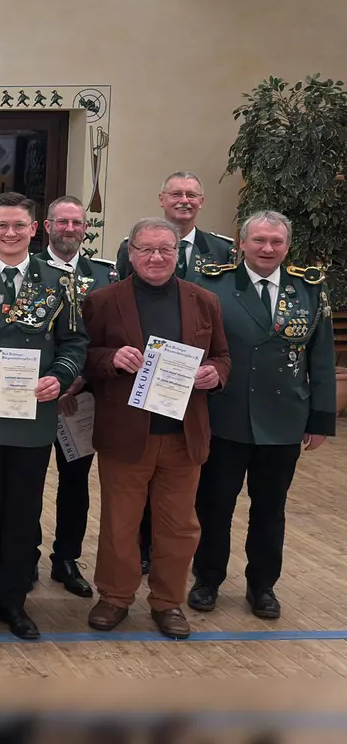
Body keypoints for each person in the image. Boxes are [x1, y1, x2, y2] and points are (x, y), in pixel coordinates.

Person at [0, 192, 87, 641]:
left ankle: (15, 602)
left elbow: (74, 343)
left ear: (35, 230)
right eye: (1, 225)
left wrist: (59, 378)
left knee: (24, 513)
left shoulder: (60, 280)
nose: (9, 233)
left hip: (32, 415)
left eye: (18, 226)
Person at [82, 216, 230, 640]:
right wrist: (110, 359)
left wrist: (214, 375)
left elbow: (222, 356)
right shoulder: (104, 300)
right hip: (127, 436)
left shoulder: (203, 301)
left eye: (165, 249)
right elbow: (85, 357)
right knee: (119, 524)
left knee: (179, 527)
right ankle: (114, 597)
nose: (156, 257)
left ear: (178, 253)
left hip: (184, 436)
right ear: (130, 253)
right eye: (146, 249)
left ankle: (168, 603)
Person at [192, 212, 330, 620]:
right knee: (214, 505)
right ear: (242, 243)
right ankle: (207, 579)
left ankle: (262, 586)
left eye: (276, 242)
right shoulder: (213, 285)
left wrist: (319, 420)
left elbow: (320, 359)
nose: (267, 249)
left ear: (287, 246)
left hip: (283, 418)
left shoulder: (307, 289)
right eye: (259, 241)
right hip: (225, 416)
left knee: (270, 509)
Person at [38, 196, 117, 598]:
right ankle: (24, 550)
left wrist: (78, 379)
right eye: (61, 222)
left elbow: (110, 338)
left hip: (81, 396)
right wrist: (50, 380)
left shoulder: (105, 276)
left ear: (85, 229)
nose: (69, 229)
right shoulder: (29, 272)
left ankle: (66, 558)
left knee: (75, 482)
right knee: (28, 480)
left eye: (76, 223)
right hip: (33, 394)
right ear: (46, 226)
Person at [113, 172, 235, 282]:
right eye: (176, 194)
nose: (184, 200)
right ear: (161, 199)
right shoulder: (134, 246)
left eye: (191, 195)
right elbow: (121, 293)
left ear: (201, 202)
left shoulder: (221, 249)